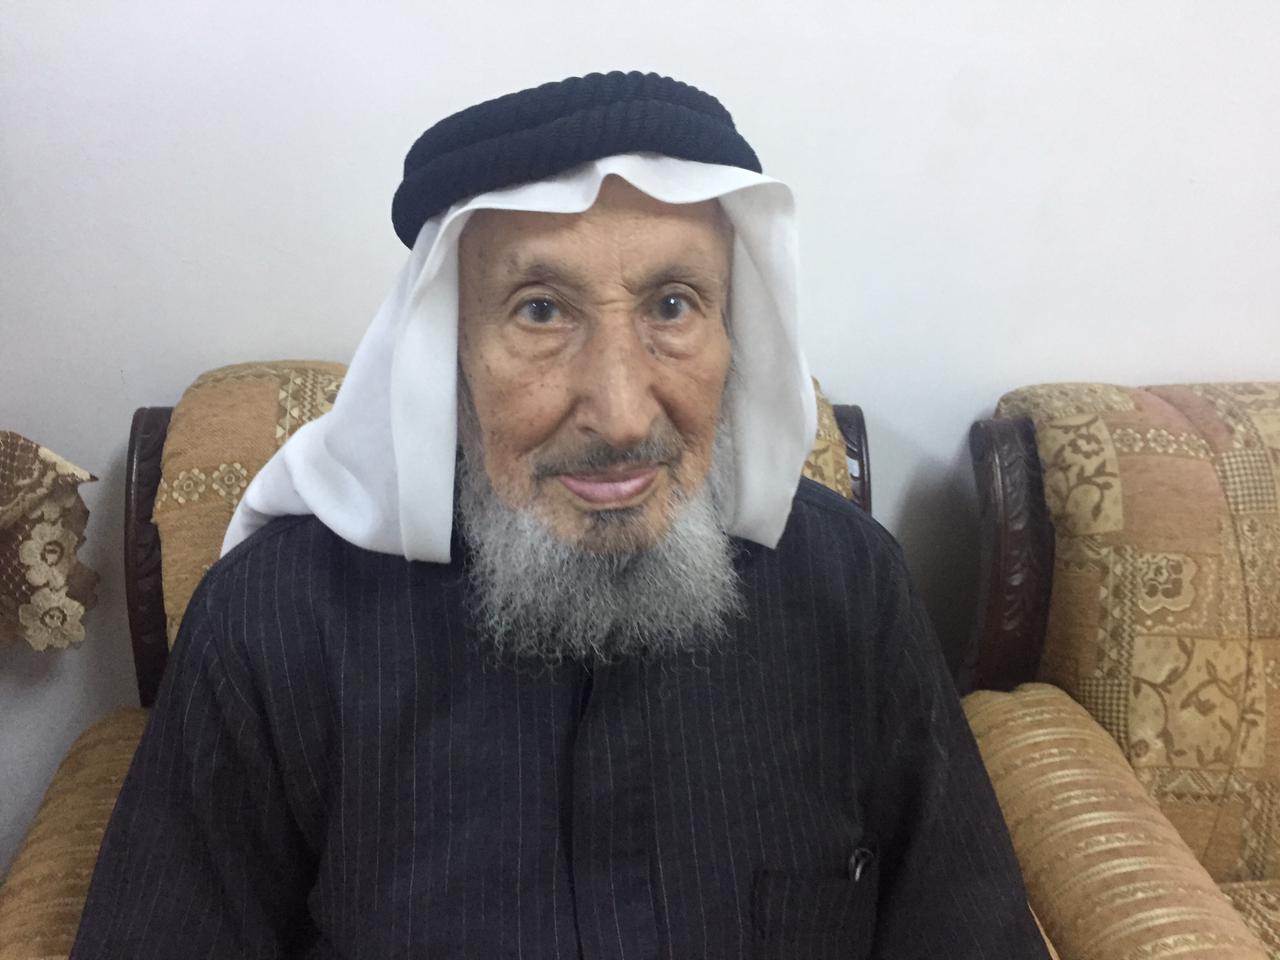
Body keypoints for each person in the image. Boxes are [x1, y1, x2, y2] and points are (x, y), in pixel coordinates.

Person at [71, 71, 1049, 959]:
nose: (620, 416)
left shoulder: (852, 587)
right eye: (540, 310)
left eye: (672, 305)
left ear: (733, 332)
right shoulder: (273, 622)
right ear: (446, 354)